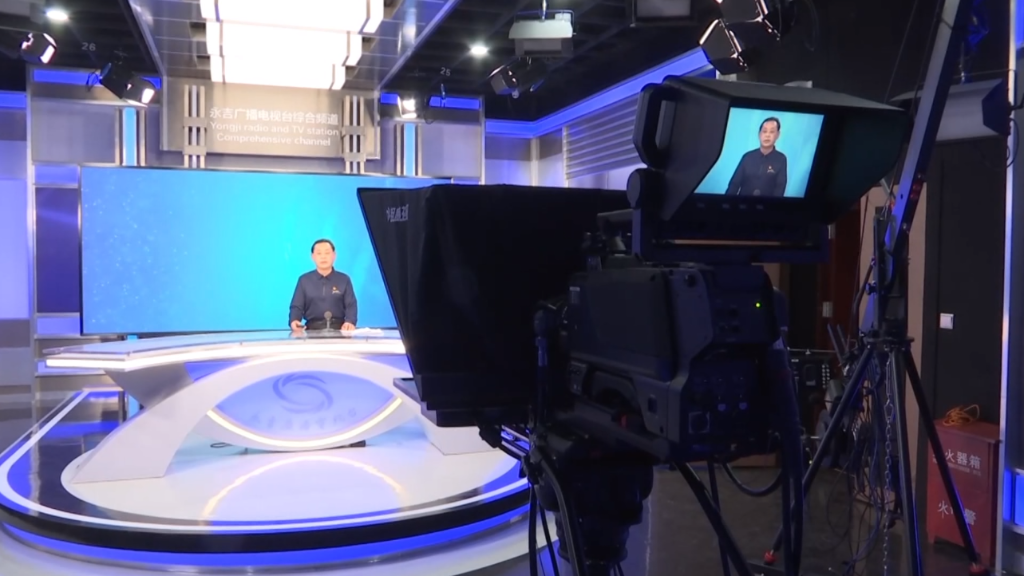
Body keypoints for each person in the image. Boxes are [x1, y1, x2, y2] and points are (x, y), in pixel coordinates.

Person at [289, 239, 358, 331]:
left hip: (339, 329)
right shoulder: (304, 280)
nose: (323, 257)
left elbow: (351, 305)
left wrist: (350, 321)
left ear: (334, 255)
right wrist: (294, 320)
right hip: (311, 330)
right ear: (313, 257)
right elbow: (297, 306)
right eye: (319, 253)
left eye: (327, 253)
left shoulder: (344, 279)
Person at [725, 117, 788, 197]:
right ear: (759, 134)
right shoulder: (747, 157)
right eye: (764, 131)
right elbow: (734, 184)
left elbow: (780, 188)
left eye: (772, 132)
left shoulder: (781, 159)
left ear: (778, 135)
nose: (767, 135)